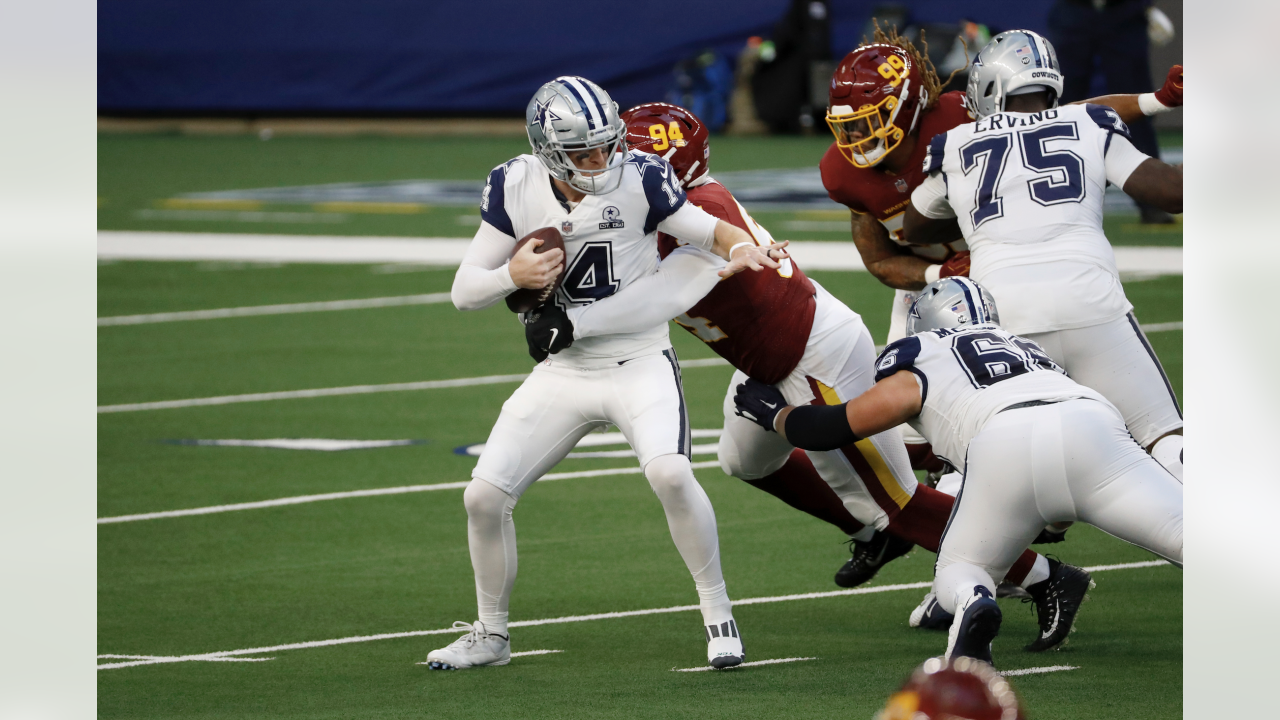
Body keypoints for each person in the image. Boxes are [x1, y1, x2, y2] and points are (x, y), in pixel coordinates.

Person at [525, 103, 1079, 649]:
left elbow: (639, 294)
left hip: (810, 358)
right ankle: (873, 529)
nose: (611, 165)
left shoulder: (689, 225)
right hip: (771, 358)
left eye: (624, 154)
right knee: (744, 459)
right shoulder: (677, 207)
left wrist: (559, 304)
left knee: (897, 503)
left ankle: (1046, 577)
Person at [429, 76, 784, 671]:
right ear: (547, 149)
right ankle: (491, 635)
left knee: (671, 475)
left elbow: (702, 229)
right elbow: (465, 292)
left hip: (638, 359)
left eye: (607, 144)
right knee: (483, 498)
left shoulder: (643, 174)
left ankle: (719, 614)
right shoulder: (514, 183)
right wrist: (513, 275)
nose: (602, 160)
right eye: (583, 152)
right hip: (564, 371)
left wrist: (739, 245)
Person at [733, 277, 1183, 666]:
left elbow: (834, 426)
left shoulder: (923, 353)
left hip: (1003, 440)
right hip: (1093, 423)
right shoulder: (1027, 349)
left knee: (962, 568)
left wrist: (775, 414)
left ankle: (973, 601)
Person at [819, 25, 1182, 485]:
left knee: (983, 434)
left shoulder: (952, 131)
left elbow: (915, 224)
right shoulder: (842, 172)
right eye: (848, 125)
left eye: (870, 119)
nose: (855, 136)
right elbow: (880, 260)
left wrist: (1156, 100)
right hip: (947, 286)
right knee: (909, 439)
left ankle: (978, 502)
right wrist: (939, 270)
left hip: (996, 287)